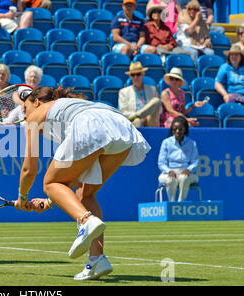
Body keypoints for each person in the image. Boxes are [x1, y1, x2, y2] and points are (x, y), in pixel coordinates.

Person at [15, 86, 151, 280]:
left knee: (49, 182)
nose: (24, 114)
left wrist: (22, 197)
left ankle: (86, 221)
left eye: (25, 108)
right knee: (84, 194)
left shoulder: (36, 116)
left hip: (91, 124)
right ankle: (97, 260)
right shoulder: (68, 110)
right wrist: (49, 201)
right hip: (121, 128)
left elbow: (29, 169)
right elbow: (69, 180)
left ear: (36, 102)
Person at [157, 116, 199, 202]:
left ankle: (180, 204)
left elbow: (195, 161)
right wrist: (169, 171)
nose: (177, 132)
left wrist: (189, 169)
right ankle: (172, 204)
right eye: (174, 129)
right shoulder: (166, 143)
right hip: (169, 172)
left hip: (187, 173)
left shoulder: (192, 143)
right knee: (171, 179)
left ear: (185, 130)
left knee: (183, 178)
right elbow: (161, 162)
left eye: (180, 129)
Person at [118, 62, 161, 127]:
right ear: (130, 76)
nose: (135, 77)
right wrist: (137, 116)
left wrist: (145, 117)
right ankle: (137, 116)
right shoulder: (123, 92)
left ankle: (138, 115)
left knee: (156, 101)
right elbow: (123, 112)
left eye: (138, 74)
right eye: (133, 75)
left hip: (150, 119)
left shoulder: (152, 89)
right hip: (134, 120)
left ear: (142, 74)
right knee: (137, 121)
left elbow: (158, 109)